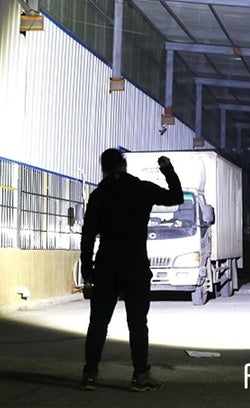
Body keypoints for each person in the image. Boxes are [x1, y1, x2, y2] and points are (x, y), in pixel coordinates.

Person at [79, 148, 183, 392]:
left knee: (98, 323)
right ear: (123, 166)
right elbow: (176, 197)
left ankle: (90, 376)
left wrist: (87, 268)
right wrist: (167, 170)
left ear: (104, 169)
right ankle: (140, 376)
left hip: (106, 266)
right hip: (135, 266)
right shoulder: (142, 189)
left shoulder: (99, 195)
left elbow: (88, 234)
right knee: (137, 323)